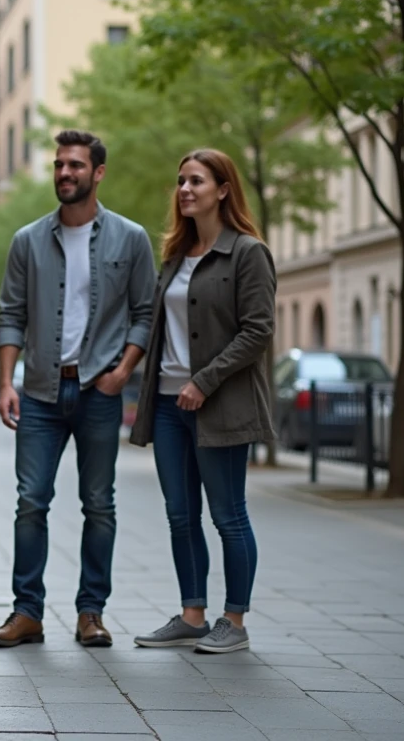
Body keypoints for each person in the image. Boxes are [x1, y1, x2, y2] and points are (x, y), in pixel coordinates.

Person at [0, 130, 156, 649]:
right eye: (59, 165)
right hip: (38, 391)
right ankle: (26, 613)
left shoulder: (131, 239)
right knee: (31, 502)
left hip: (100, 392)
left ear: (97, 172)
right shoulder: (27, 240)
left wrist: (123, 371)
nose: (65, 173)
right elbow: (10, 314)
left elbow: (145, 314)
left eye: (76, 166)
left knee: (98, 504)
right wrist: (5, 384)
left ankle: (90, 613)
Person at [129, 149, 276, 654]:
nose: (185, 189)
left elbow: (258, 330)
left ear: (223, 189)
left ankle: (233, 621)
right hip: (169, 406)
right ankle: (193, 614)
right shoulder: (174, 254)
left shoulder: (247, 253)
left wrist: (205, 380)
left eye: (196, 181)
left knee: (228, 514)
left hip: (219, 405)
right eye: (180, 181)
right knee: (179, 514)